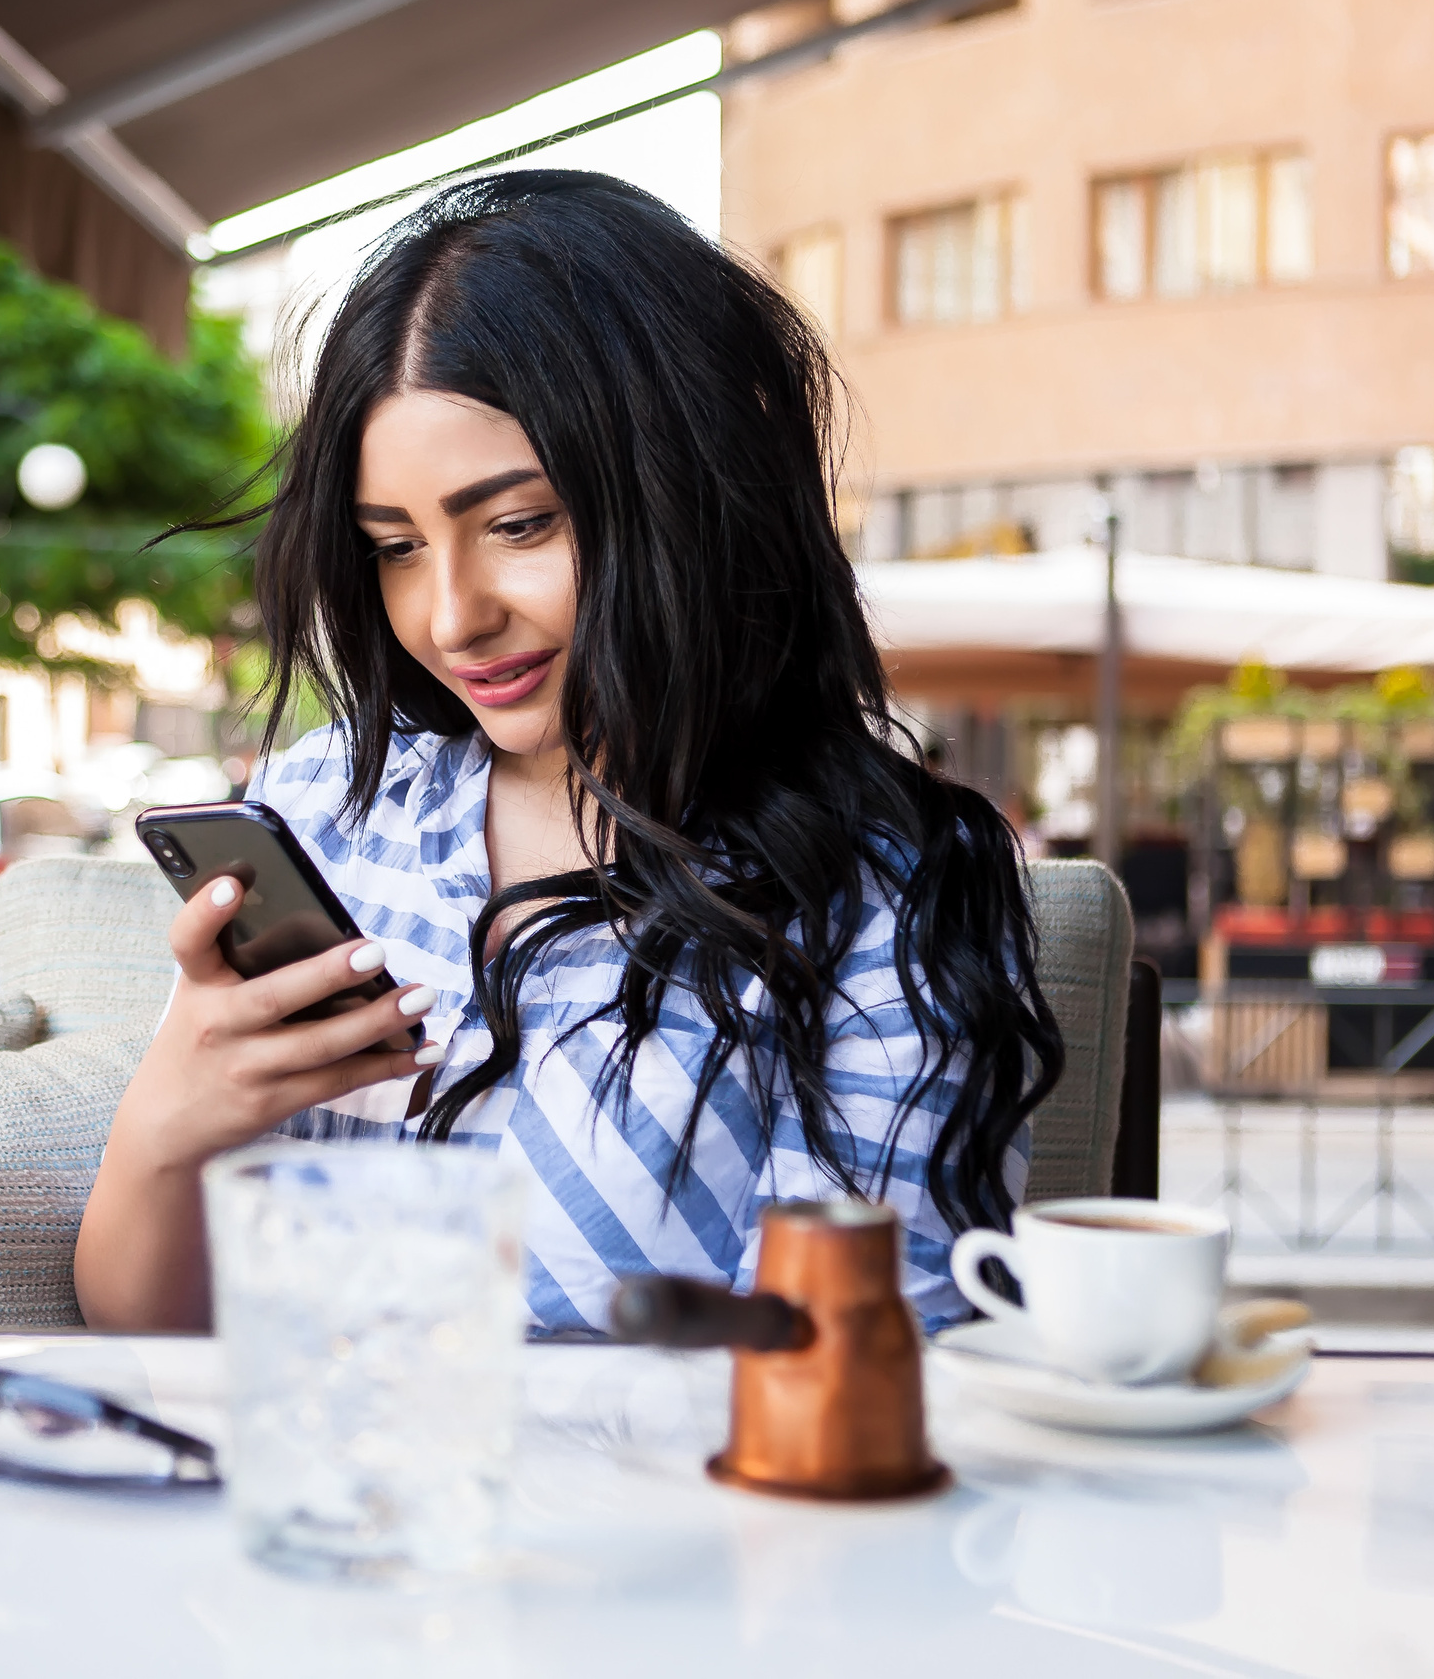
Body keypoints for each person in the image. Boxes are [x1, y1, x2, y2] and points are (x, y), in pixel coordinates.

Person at [74, 171, 1063, 1336]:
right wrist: (169, 1120)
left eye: (518, 525)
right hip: (305, 1499)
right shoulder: (327, 814)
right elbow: (145, 1343)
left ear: (688, 490)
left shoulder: (876, 900)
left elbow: (858, 1389)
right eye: (393, 547)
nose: (451, 617)